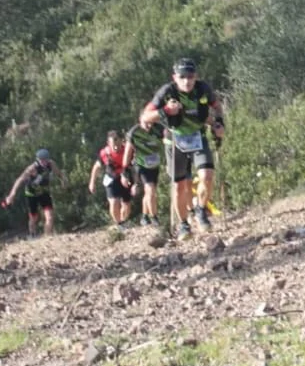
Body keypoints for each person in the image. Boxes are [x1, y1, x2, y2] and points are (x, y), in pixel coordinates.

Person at [141, 59, 225, 239]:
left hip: (197, 137)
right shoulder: (167, 92)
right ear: (175, 77)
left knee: (207, 176)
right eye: (182, 77)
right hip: (174, 140)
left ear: (196, 77)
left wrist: (219, 123)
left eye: (190, 77)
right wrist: (165, 111)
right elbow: (146, 116)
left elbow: (217, 106)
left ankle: (201, 210)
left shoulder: (203, 89)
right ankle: (184, 225)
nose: (187, 81)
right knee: (179, 186)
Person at [3, 149, 63, 237]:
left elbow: (58, 173)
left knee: (50, 217)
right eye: (42, 160)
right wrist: (12, 194)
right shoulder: (32, 168)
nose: (44, 162)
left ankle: (47, 238)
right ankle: (32, 235)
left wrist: (63, 180)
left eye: (46, 160)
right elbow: (20, 179)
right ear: (37, 159)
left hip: (44, 192)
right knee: (34, 217)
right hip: (31, 194)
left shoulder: (51, 164)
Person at [123, 111, 168, 227]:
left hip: (154, 165)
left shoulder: (158, 128)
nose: (149, 125)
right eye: (146, 123)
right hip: (141, 165)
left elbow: (168, 138)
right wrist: (125, 173)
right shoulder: (134, 132)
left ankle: (144, 216)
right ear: (140, 119)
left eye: (151, 122)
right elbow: (127, 153)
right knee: (150, 189)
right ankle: (154, 218)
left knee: (150, 192)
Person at [88, 131, 134, 229]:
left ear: (121, 141)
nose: (116, 146)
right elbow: (96, 167)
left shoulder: (128, 150)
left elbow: (136, 164)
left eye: (117, 143)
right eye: (113, 144)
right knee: (114, 202)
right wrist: (92, 182)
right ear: (108, 143)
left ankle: (123, 221)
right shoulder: (104, 153)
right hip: (111, 179)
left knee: (127, 205)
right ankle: (119, 224)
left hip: (126, 178)